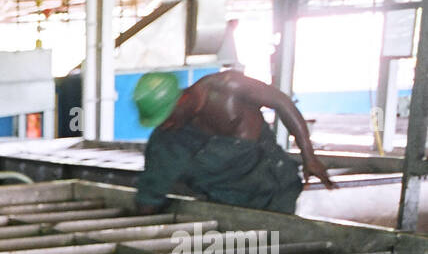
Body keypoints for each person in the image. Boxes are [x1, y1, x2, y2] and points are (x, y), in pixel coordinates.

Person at [132, 69, 335, 215]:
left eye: (167, 118)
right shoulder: (169, 137)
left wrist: (309, 156)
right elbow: (154, 180)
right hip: (224, 198)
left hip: (268, 180)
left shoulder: (228, 87)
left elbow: (282, 102)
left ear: (182, 100)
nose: (166, 125)